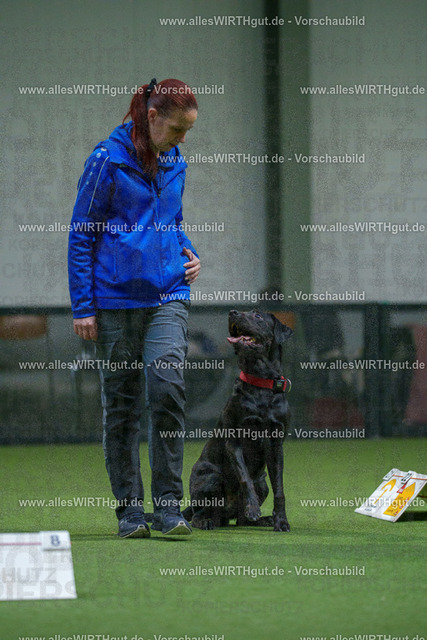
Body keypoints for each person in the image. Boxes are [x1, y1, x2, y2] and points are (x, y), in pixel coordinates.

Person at [68, 78, 200, 538]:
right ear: (152, 117)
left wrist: (188, 250)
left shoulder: (175, 160)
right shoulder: (107, 160)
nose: (182, 140)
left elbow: (171, 220)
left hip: (168, 296)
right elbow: (81, 235)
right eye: (178, 129)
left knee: (167, 390)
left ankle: (169, 508)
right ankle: (129, 512)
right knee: (122, 405)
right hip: (114, 301)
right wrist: (83, 307)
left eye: (188, 131)